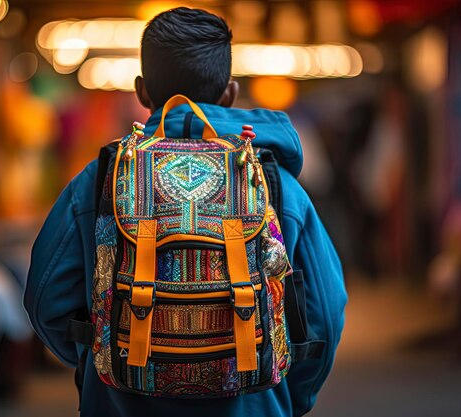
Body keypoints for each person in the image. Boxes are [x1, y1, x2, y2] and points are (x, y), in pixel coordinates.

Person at [24, 7, 347, 417]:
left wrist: (101, 361)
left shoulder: (100, 180)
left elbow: (44, 298)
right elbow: (326, 310)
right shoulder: (271, 181)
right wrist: (289, 395)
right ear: (228, 93)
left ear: (142, 92)